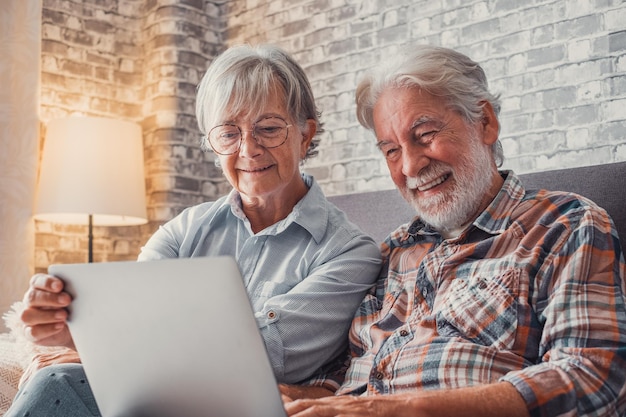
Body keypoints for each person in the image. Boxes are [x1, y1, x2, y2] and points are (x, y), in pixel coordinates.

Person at [6, 44, 382, 416]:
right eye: (229, 134)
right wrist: (72, 327)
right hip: (158, 400)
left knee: (59, 383)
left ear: (305, 135)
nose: (248, 149)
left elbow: (255, 357)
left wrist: (105, 344)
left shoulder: (349, 253)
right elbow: (131, 316)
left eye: (268, 129)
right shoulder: (184, 230)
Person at [282, 45, 626, 416]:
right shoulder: (391, 252)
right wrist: (287, 396)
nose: (411, 166)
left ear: (485, 122)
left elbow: (593, 378)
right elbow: (348, 376)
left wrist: (396, 410)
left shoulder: (564, 225)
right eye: (391, 150)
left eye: (425, 134)